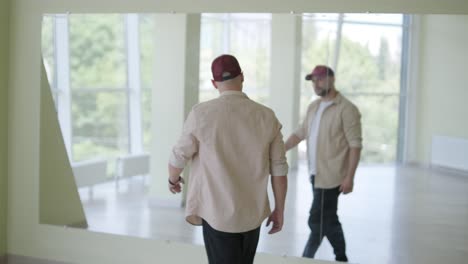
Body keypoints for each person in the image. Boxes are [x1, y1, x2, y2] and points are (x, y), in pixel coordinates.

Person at [168, 54, 288, 264]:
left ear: (214, 83)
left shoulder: (201, 113)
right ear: (242, 77)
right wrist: (279, 209)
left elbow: (179, 156)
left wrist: (173, 180)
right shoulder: (267, 116)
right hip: (252, 213)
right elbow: (279, 170)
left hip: (217, 214)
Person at [284, 65, 362, 262]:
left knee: (316, 219)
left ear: (331, 79)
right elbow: (301, 132)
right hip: (315, 174)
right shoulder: (314, 107)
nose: (315, 84)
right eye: (313, 80)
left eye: (319, 79)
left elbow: (355, 145)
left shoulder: (347, 109)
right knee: (327, 219)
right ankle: (341, 258)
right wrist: (280, 148)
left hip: (332, 175)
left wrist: (349, 178)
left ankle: (307, 258)